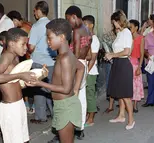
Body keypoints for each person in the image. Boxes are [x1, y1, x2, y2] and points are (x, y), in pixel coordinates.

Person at [27, 18, 84, 143]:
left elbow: (66, 88)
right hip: (61, 105)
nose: (48, 41)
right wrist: (76, 88)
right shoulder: (64, 55)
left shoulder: (65, 58)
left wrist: (39, 83)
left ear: (62, 37)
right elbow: (81, 68)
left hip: (66, 107)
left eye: (50, 37)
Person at [0, 28, 37, 143]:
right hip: (10, 109)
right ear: (11, 43)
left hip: (18, 104)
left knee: (24, 140)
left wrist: (25, 83)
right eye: (23, 44)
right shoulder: (7, 56)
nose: (26, 47)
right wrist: (21, 75)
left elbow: (11, 83)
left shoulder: (15, 57)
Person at [65, 5, 92, 139]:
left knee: (70, 97)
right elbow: (88, 53)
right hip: (84, 64)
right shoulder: (87, 29)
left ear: (74, 17)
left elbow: (75, 54)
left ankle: (68, 129)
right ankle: (80, 128)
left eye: (68, 19)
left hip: (76, 65)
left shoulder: (76, 31)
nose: (68, 22)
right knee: (81, 97)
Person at [105, 10, 135, 130]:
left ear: (119, 21)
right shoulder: (120, 33)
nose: (113, 24)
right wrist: (110, 54)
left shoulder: (126, 32)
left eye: (114, 22)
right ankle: (121, 115)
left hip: (123, 64)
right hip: (118, 63)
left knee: (125, 95)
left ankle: (131, 120)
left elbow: (127, 51)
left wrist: (112, 55)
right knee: (120, 92)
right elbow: (118, 50)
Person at [28, 1, 56, 124]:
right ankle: (53, 113)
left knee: (39, 89)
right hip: (52, 62)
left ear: (39, 10)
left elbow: (31, 47)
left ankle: (40, 116)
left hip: (39, 62)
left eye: (35, 11)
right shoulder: (52, 25)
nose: (34, 14)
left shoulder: (36, 26)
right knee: (50, 88)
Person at [82, 15, 100, 127]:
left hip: (90, 72)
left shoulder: (95, 39)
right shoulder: (87, 38)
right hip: (85, 71)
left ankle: (91, 118)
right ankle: (87, 115)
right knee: (86, 95)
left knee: (90, 95)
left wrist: (86, 72)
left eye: (85, 24)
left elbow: (92, 59)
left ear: (91, 25)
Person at [128, 19, 144, 112]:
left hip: (135, 63)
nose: (129, 28)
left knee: (136, 85)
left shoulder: (141, 38)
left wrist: (139, 67)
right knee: (128, 84)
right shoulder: (127, 37)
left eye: (131, 27)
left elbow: (142, 54)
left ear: (136, 27)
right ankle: (127, 103)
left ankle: (135, 105)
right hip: (126, 62)